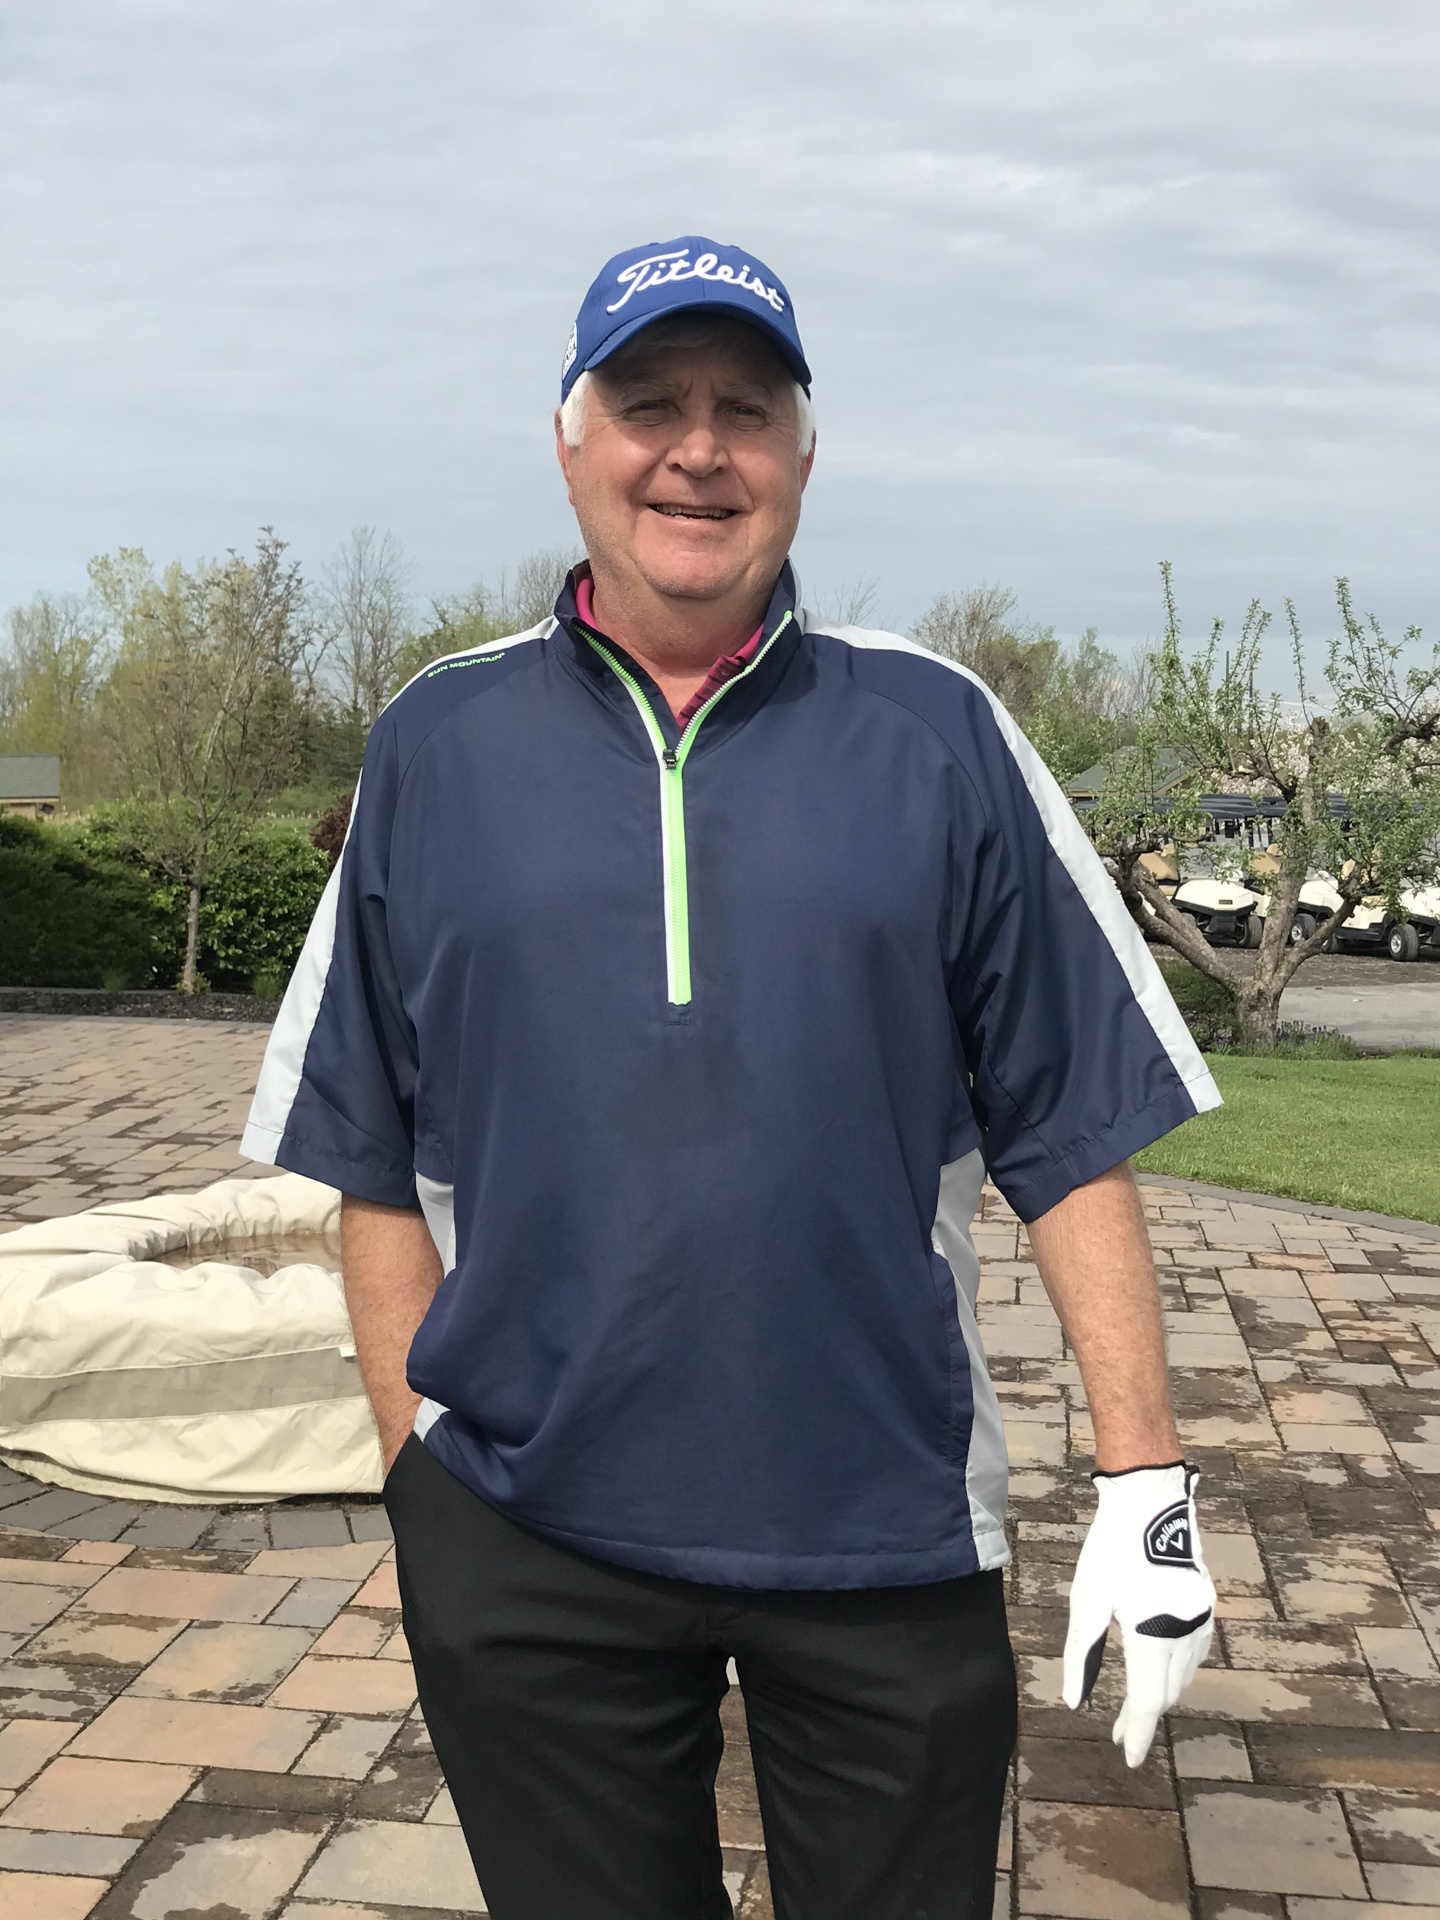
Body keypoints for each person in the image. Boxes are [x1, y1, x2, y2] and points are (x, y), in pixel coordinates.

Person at [243, 234, 1220, 1920]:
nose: (697, 452)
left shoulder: (937, 733)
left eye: (745, 411)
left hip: (884, 1526)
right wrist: (423, 1484)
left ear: (804, 457)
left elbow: (1070, 1126)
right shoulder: (434, 744)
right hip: (529, 1544)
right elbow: (368, 1146)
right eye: (650, 405)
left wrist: (1147, 1484)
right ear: (570, 445)